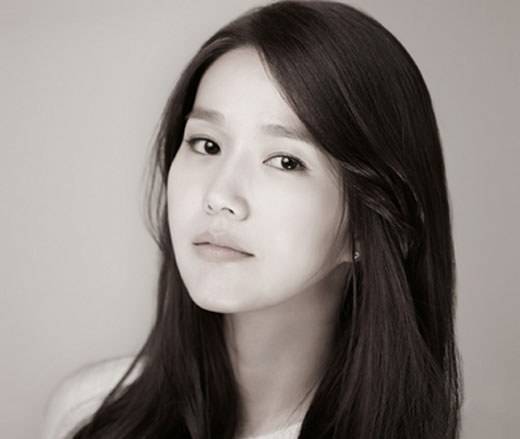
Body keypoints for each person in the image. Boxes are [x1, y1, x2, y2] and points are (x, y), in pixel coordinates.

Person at [42, 1, 463, 438]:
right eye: (206, 144)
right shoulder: (87, 413)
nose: (219, 196)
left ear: (371, 221)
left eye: (285, 161)